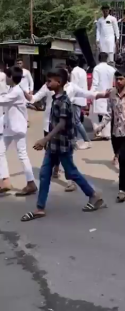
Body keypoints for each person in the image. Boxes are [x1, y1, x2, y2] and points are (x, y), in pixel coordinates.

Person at [21, 68, 106, 222]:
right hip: (53, 145)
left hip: (62, 145)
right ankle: (40, 208)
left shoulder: (64, 101)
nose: (47, 84)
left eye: (49, 81)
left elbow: (61, 124)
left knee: (71, 172)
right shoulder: (55, 98)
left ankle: (94, 196)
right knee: (44, 174)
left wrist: (44, 140)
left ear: (58, 82)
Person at [96, 68, 125, 203]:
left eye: (121, 79)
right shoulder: (112, 93)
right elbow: (109, 112)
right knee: (124, 158)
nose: (118, 81)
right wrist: (101, 126)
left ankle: (122, 189)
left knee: (122, 157)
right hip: (115, 131)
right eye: (117, 79)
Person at [0, 66, 37, 195]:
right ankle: (5, 181)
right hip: (11, 127)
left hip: (17, 128)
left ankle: (31, 183)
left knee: (22, 154)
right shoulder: (13, 89)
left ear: (10, 77)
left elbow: (2, 101)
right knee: (1, 152)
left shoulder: (16, 91)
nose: (5, 79)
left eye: (6, 77)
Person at [66, 56, 91, 150]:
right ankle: (75, 141)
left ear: (69, 65)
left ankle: (87, 140)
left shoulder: (74, 72)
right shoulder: (82, 70)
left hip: (75, 99)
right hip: (81, 98)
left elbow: (73, 87)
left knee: (76, 121)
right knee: (74, 120)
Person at [90, 52, 115, 141]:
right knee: (107, 113)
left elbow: (95, 83)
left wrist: (91, 95)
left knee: (92, 114)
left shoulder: (97, 68)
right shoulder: (112, 69)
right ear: (107, 58)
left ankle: (98, 132)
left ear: (98, 58)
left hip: (99, 94)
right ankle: (107, 134)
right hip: (109, 94)